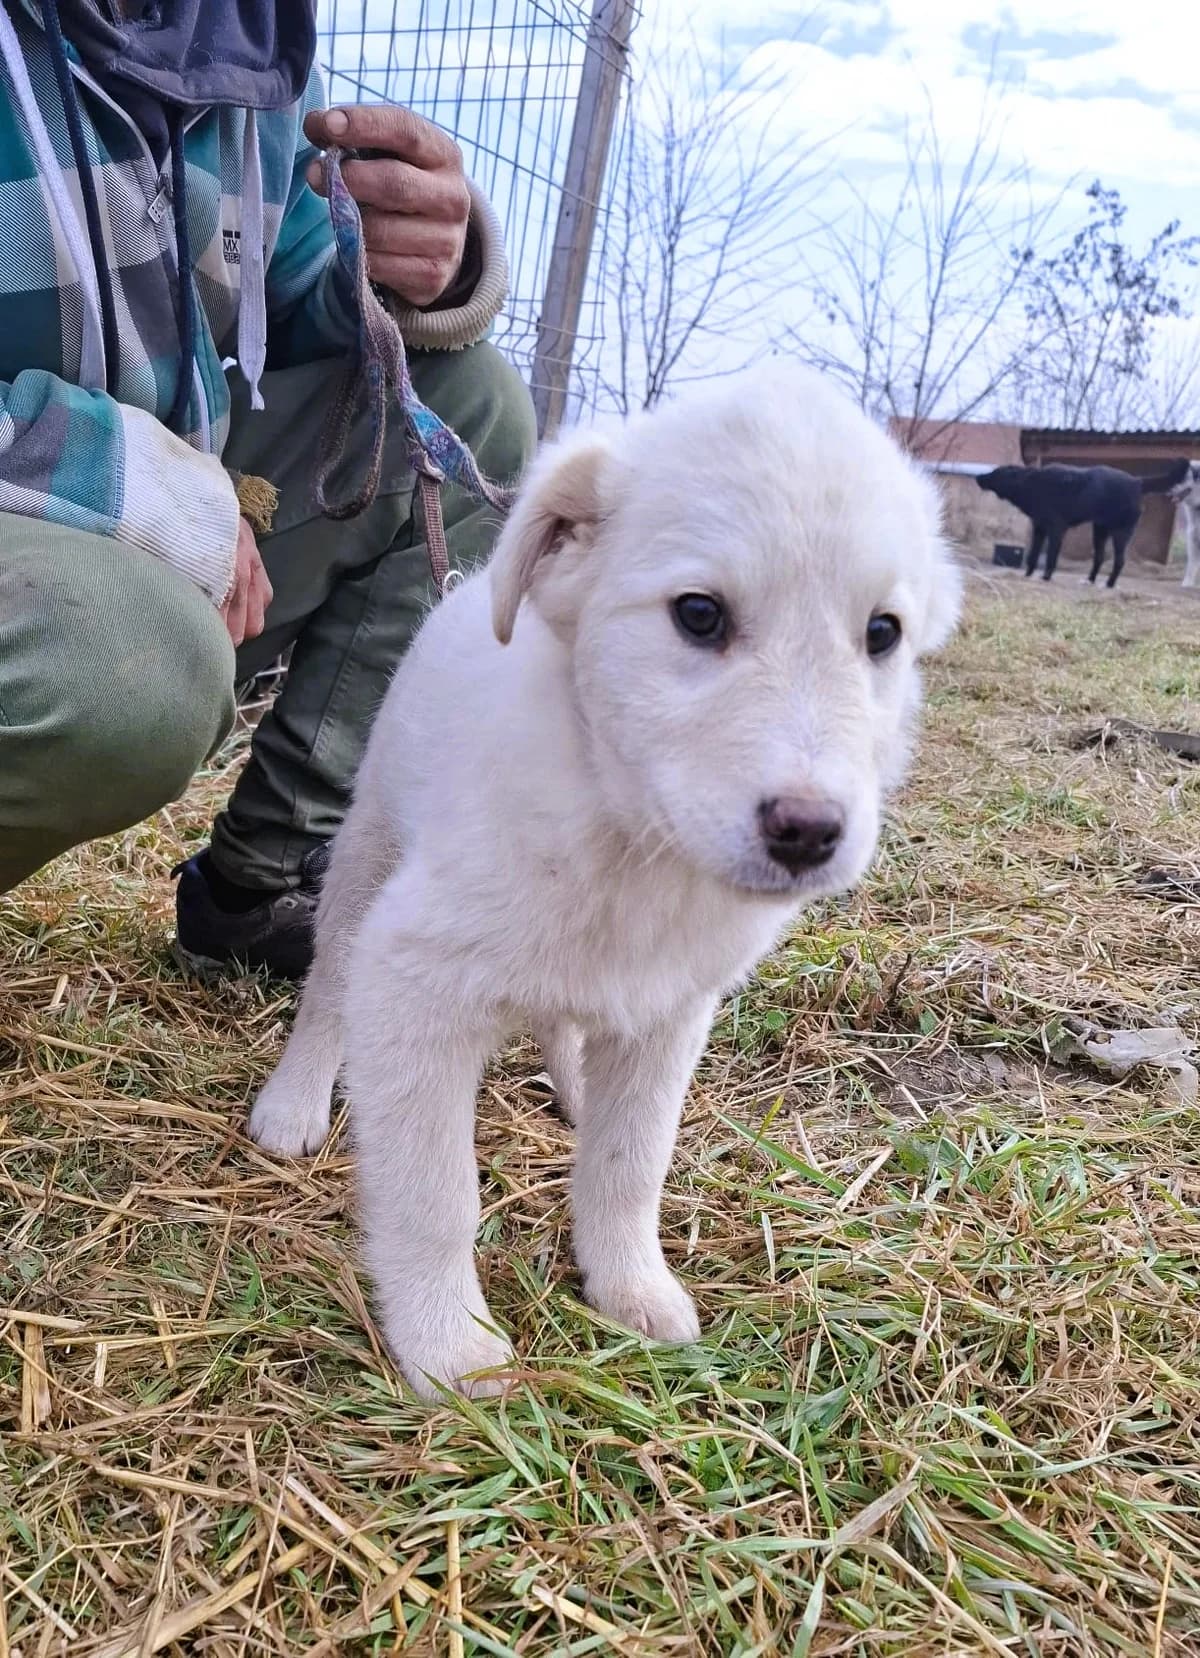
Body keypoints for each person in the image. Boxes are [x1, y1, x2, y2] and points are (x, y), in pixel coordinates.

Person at [0, 0, 537, 976]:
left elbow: (288, 299)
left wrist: (412, 273)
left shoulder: (238, 32)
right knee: (132, 665)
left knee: (472, 409)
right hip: (61, 505)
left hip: (171, 489)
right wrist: (125, 477)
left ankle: (264, 884)